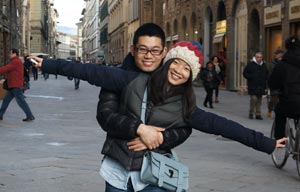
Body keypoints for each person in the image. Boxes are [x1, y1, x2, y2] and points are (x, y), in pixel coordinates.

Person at [31, 40, 286, 191]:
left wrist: (266, 143)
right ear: (167, 62)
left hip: (153, 175)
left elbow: (225, 126)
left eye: (186, 68)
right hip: (117, 169)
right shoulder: (133, 80)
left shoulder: (187, 108)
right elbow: (90, 72)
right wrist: (50, 64)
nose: (178, 70)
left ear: (191, 76)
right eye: (176, 62)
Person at [269, 36, 300, 139]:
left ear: (286, 48)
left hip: (289, 101)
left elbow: (273, 83)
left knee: (280, 113)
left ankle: (280, 141)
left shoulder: (282, 64)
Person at [0, 48, 35, 121]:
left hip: (15, 85)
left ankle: (30, 115)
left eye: (10, 53)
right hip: (12, 85)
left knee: (21, 102)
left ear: (14, 54)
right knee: (6, 100)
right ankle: (0, 115)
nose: (9, 55)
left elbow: (6, 68)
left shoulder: (15, 61)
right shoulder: (15, 61)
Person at [243, 52, 269, 120]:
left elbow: (267, 73)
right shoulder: (251, 64)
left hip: (261, 85)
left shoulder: (264, 65)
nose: (259, 58)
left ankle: (258, 114)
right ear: (255, 57)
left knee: (259, 100)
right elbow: (245, 73)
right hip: (252, 85)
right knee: (254, 99)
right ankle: (251, 112)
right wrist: (251, 77)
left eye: (260, 57)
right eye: (258, 57)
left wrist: (266, 79)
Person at [267, 49, 284, 118]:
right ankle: (270, 110)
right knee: (274, 100)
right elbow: (269, 74)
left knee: (280, 100)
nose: (280, 56)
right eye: (279, 54)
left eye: (281, 54)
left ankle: (278, 113)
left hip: (282, 84)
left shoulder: (284, 62)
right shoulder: (272, 63)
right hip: (274, 83)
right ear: (276, 55)